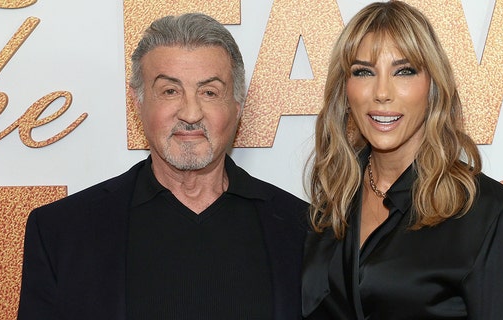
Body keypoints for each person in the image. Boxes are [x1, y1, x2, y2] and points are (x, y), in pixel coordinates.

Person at [17, 13, 307, 320]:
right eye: (170, 91)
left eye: (209, 92)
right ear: (138, 103)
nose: (191, 113)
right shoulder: (61, 232)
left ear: (236, 106)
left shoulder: (304, 230)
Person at [302, 1, 503, 319]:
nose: (382, 92)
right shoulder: (330, 203)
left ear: (433, 87)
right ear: (345, 90)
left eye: (404, 71)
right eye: (364, 72)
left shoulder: (487, 213)